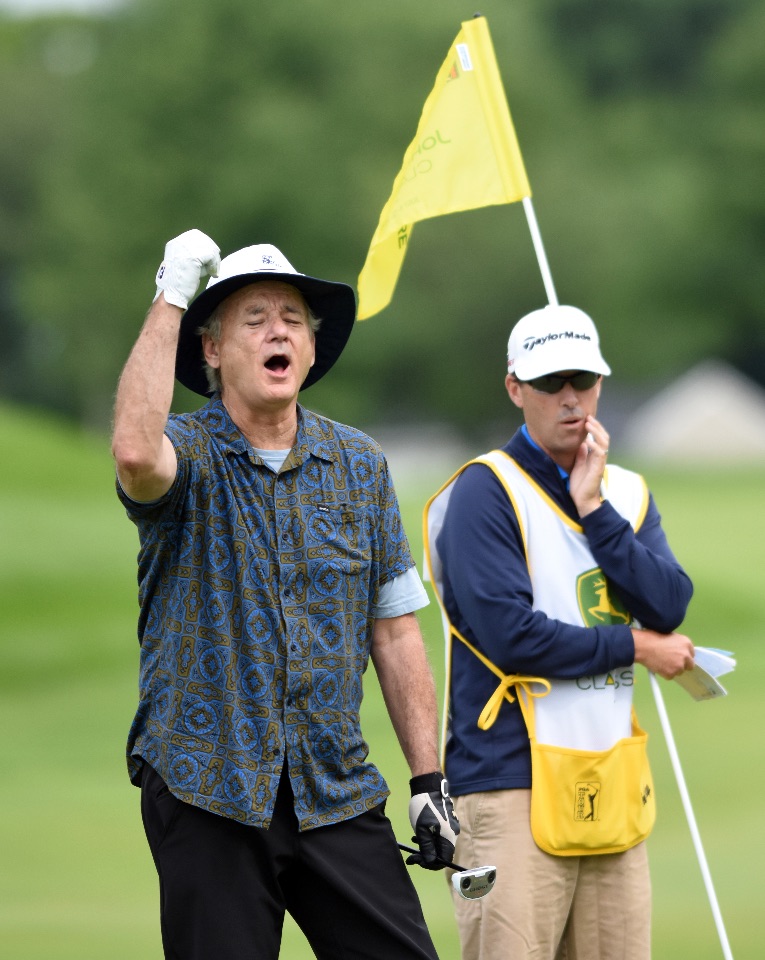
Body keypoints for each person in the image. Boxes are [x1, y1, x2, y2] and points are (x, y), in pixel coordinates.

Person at [111, 229, 459, 960]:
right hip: (208, 787)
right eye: (254, 318)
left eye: (292, 319)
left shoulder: (359, 465)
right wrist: (172, 293)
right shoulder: (189, 455)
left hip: (333, 786)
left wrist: (428, 778)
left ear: (307, 349)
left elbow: (394, 631)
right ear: (211, 349)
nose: (278, 331)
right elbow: (135, 454)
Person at [426, 304, 696, 960]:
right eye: (550, 383)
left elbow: (667, 604)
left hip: (606, 776)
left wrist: (594, 510)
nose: (569, 397)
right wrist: (632, 645)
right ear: (515, 387)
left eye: (582, 378)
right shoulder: (482, 491)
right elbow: (512, 636)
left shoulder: (624, 493)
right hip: (503, 785)